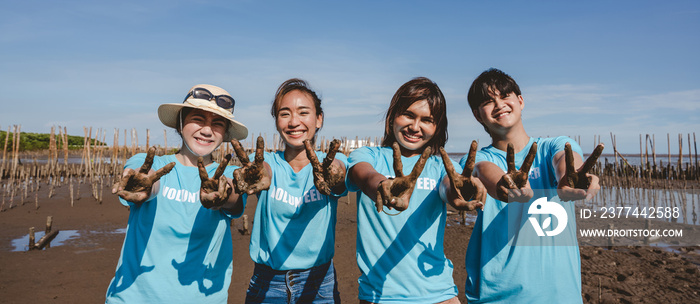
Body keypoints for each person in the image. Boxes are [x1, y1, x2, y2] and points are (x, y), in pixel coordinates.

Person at [461, 68, 603, 303]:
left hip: (560, 296)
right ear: (478, 115)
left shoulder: (553, 145)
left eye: (505, 96)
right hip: (498, 296)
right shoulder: (477, 160)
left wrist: (570, 178)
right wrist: (506, 185)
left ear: (520, 101)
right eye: (488, 101)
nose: (499, 104)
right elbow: (486, 173)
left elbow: (564, 160)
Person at [347, 77, 485, 304]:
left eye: (427, 120)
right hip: (380, 296)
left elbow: (449, 187)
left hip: (439, 294)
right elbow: (364, 176)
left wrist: (462, 191)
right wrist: (383, 186)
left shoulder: (441, 166)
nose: (415, 126)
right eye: (408, 115)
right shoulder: (368, 156)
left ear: (437, 127)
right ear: (392, 116)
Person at [106, 84, 248, 303]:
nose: (207, 130)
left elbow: (233, 196)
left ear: (226, 134)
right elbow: (147, 181)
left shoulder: (229, 174)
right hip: (134, 297)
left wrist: (223, 196)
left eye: (217, 123)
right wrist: (142, 185)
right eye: (198, 119)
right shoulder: (149, 162)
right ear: (180, 123)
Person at [237, 78, 347, 303]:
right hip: (268, 283)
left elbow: (339, 174)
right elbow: (263, 172)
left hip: (319, 284)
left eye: (303, 113)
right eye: (284, 113)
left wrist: (334, 174)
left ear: (318, 119)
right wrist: (258, 175)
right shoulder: (267, 162)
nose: (293, 122)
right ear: (276, 121)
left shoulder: (333, 163)